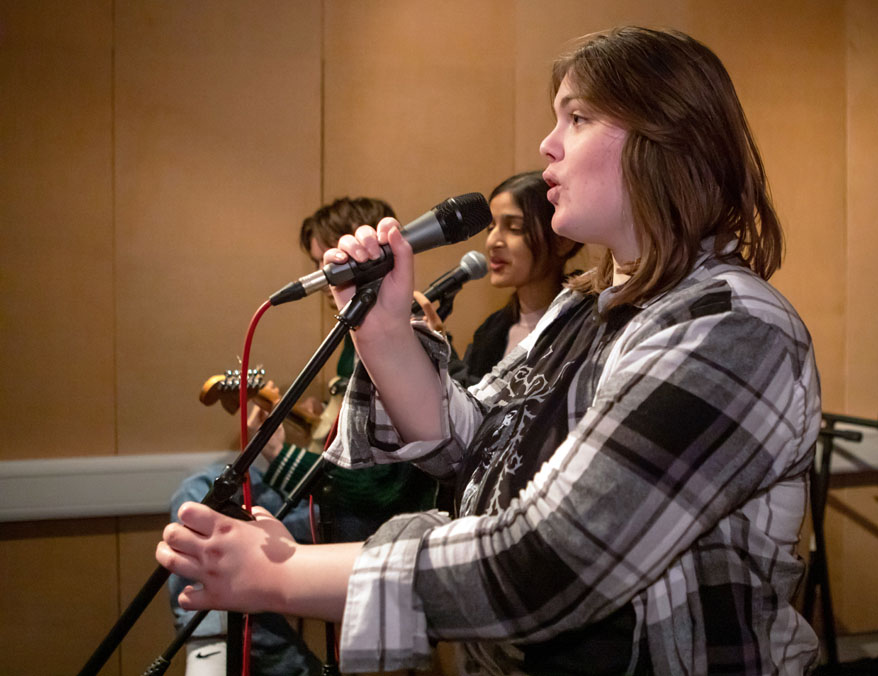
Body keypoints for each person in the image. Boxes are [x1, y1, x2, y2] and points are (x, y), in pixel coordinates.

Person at [158, 26, 822, 676]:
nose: (548, 144)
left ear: (665, 139)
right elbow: (472, 443)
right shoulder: (583, 308)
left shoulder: (733, 327)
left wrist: (283, 574)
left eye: (577, 118)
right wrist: (384, 332)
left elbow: (549, 561)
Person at [168, 196, 439, 676]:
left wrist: (277, 449)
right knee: (202, 494)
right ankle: (214, 646)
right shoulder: (354, 329)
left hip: (364, 516)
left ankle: (270, 664)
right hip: (342, 499)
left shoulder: (400, 324)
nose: (322, 276)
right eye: (317, 264)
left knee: (204, 515)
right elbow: (358, 435)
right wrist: (318, 421)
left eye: (327, 260)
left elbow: (379, 483)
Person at [418, 170, 582, 388]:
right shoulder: (491, 330)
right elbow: (470, 403)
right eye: (491, 228)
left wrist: (442, 353)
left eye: (514, 228)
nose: (492, 242)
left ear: (563, 240)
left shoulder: (582, 326)